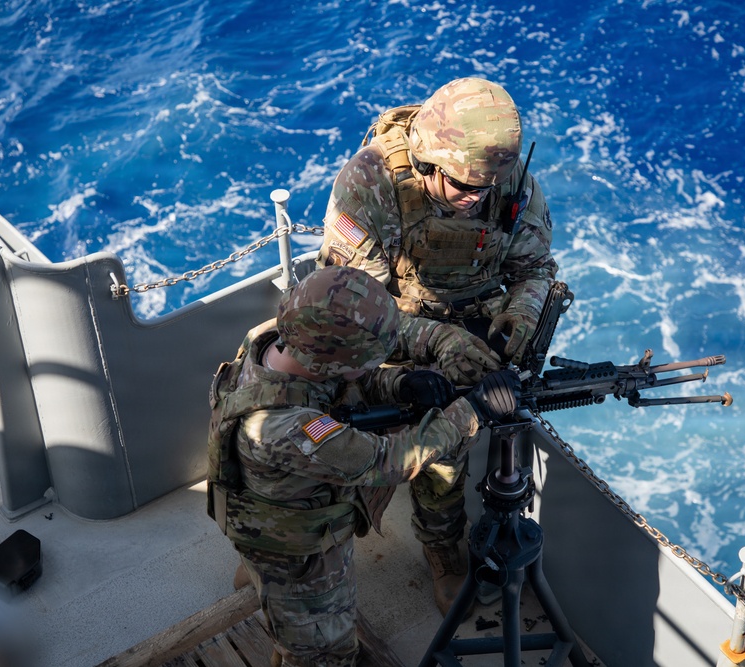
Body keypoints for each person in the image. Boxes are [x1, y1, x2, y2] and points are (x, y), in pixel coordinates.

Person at [315, 77, 557, 609]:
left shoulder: (506, 181)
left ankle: (440, 543)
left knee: (447, 446)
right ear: (427, 162)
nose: (476, 200)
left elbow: (535, 267)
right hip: (381, 322)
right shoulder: (370, 185)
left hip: (467, 323)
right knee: (327, 423)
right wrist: (435, 340)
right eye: (463, 187)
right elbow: (350, 302)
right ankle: (299, 546)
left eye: (485, 189)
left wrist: (519, 311)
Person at [207, 265, 521, 667]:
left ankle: (260, 581)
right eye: (369, 361)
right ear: (330, 363)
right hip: (298, 549)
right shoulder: (284, 429)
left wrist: (401, 384)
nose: (376, 367)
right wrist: (472, 410)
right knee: (325, 652)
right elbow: (388, 461)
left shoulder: (273, 339)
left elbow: (334, 389)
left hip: (270, 502)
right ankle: (285, 611)